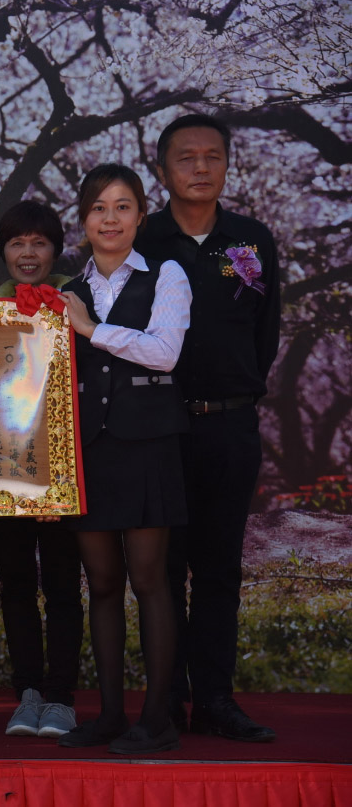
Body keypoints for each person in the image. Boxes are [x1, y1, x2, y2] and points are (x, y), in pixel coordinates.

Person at [137, 114, 280, 743]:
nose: (201, 168)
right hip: (159, 428)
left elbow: (265, 334)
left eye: (213, 157)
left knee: (220, 566)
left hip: (229, 427)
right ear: (161, 170)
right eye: (186, 158)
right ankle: (166, 698)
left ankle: (216, 699)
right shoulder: (143, 240)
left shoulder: (251, 241)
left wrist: (234, 394)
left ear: (227, 165)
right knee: (162, 568)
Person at [56, 163, 191, 755]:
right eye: (97, 209)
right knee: (102, 583)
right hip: (89, 451)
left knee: (149, 580)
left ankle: (157, 718)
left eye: (122, 207)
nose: (109, 219)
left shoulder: (167, 274)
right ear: (82, 220)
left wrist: (89, 329)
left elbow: (164, 353)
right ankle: (111, 715)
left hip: (148, 448)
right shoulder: (68, 290)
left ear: (141, 214)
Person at [0, 201, 84, 738]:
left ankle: (61, 697)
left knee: (60, 584)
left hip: (62, 469)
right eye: (16, 244)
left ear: (55, 249)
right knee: (14, 582)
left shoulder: (78, 298)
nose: (27, 254)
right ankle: (27, 691)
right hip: (10, 466)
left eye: (38, 243)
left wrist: (61, 474)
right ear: (3, 251)